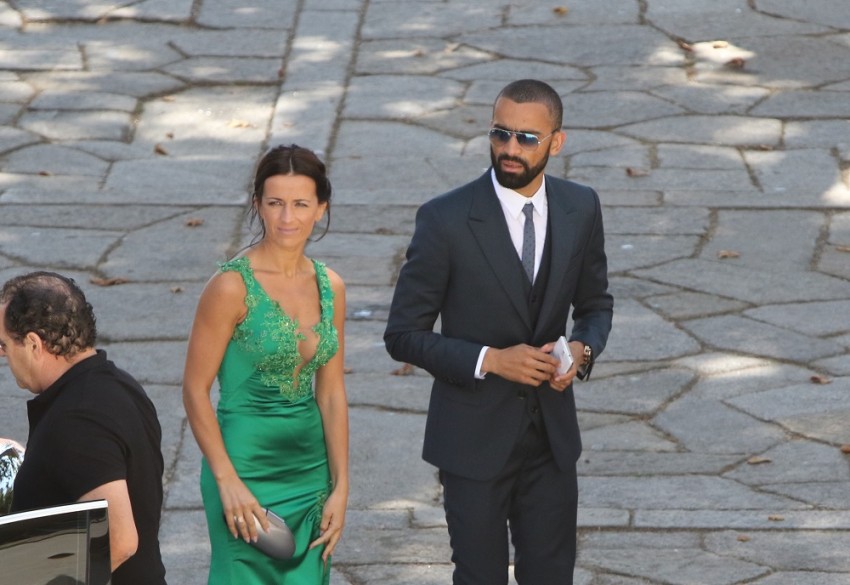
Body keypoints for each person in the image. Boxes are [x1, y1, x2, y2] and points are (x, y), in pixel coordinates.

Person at [384, 79, 614, 585]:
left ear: (556, 142)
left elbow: (596, 304)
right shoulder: (445, 219)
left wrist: (581, 350)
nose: (510, 148)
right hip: (471, 442)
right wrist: (490, 359)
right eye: (500, 133)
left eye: (527, 138)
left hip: (551, 440)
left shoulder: (581, 207)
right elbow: (402, 334)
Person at [183, 144, 349, 584]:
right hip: (243, 469)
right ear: (258, 204)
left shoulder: (331, 287)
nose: (287, 217)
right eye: (275, 203)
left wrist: (341, 486)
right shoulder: (230, 287)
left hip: (311, 474)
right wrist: (226, 480)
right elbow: (195, 390)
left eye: (301, 204)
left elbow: (331, 394)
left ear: (321, 208)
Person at [0, 271, 167, 584]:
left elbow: (119, 540)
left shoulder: (76, 419)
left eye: (4, 343)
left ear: (34, 344)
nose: (2, 354)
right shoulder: (119, 385)